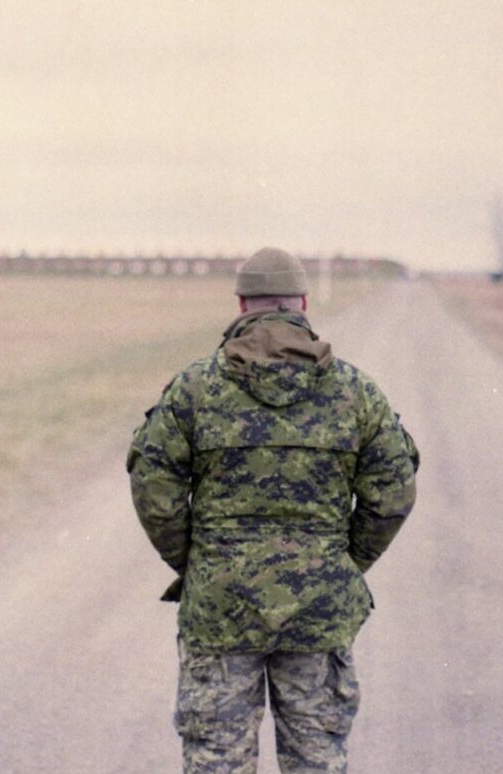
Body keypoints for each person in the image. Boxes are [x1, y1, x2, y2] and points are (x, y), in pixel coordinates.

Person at [126, 247, 419, 773]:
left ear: (242, 305)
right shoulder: (356, 393)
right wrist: (341, 563)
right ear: (303, 303)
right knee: (316, 760)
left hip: (220, 608)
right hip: (319, 610)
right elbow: (392, 494)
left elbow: (154, 489)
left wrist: (198, 563)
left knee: (216, 762)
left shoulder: (194, 389)